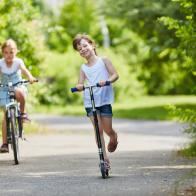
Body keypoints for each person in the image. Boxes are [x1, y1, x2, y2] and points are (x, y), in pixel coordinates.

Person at [72, 34, 119, 169]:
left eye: (85, 46)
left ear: (92, 45)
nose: (83, 49)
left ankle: (113, 136)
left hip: (104, 99)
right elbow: (80, 83)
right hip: (90, 101)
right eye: (79, 48)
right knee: (98, 130)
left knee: (107, 129)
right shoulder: (83, 68)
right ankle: (104, 159)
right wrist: (79, 86)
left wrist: (107, 81)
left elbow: (115, 74)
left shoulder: (103, 61)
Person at [0, 39, 37, 153]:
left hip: (17, 85)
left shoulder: (18, 62)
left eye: (11, 52)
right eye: (6, 52)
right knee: (6, 114)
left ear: (16, 52)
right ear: (2, 53)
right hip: (5, 88)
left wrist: (30, 77)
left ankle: (22, 113)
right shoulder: (1, 63)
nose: (9, 55)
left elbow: (25, 70)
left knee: (20, 93)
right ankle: (5, 143)